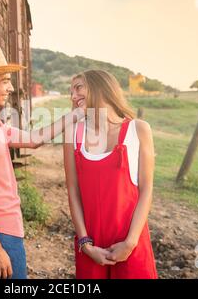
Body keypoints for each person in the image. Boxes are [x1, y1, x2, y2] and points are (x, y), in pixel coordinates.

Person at [0, 43, 82, 279]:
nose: (11, 88)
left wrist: (75, 114)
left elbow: (34, 139)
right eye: (5, 81)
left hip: (6, 230)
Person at [63, 70, 158, 279]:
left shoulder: (138, 130)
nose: (73, 96)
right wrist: (85, 243)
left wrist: (130, 243)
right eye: (71, 91)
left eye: (78, 88)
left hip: (130, 244)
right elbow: (73, 191)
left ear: (101, 88)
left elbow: (146, 189)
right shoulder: (73, 134)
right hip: (91, 246)